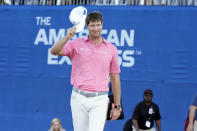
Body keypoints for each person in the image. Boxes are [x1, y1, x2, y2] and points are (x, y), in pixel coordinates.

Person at [50, 11, 121, 131]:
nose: (96, 28)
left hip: (100, 98)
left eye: (98, 25)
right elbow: (54, 51)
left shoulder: (111, 49)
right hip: (78, 97)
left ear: (102, 25)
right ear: (86, 26)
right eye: (92, 25)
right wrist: (67, 37)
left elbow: (115, 78)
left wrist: (117, 106)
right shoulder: (76, 44)